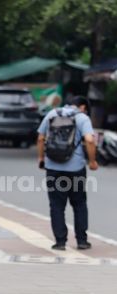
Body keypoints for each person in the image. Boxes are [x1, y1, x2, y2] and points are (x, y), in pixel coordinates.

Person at [37, 96, 98, 251]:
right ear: (82, 106)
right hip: (76, 169)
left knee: (56, 205)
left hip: (53, 167)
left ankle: (60, 242)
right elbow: (90, 140)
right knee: (79, 204)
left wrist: (41, 158)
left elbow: (40, 138)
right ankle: (82, 241)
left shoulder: (52, 114)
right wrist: (92, 161)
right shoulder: (82, 118)